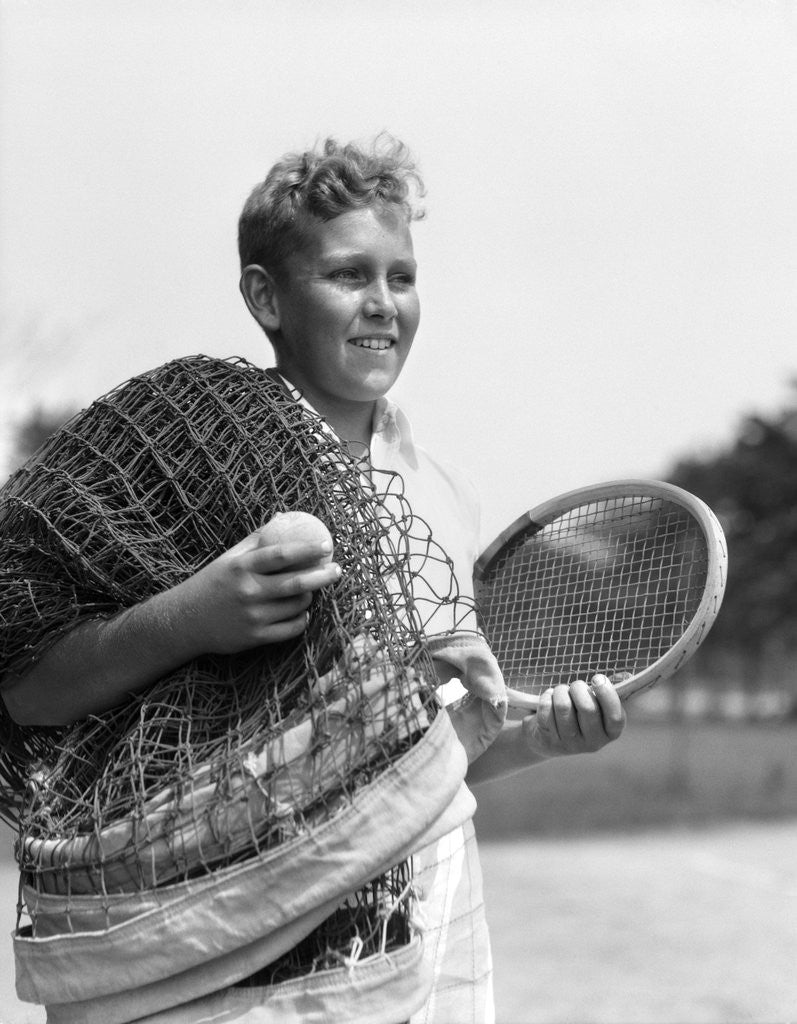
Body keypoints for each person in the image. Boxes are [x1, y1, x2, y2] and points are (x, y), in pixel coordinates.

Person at [1, 136, 626, 1022]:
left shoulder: (441, 495)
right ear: (266, 297)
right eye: (347, 276)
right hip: (229, 952)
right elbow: (29, 691)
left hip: (431, 926)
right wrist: (195, 617)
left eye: (400, 277)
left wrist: (541, 740)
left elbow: (407, 766)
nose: (381, 306)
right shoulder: (180, 465)